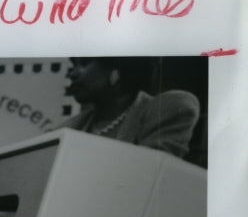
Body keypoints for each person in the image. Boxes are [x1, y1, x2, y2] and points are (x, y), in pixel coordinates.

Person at [60, 57, 200, 159]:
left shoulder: (167, 109)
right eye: (74, 65)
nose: (72, 73)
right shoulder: (68, 128)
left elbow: (145, 174)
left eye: (84, 63)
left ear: (116, 68)